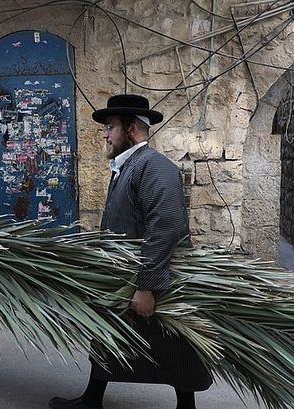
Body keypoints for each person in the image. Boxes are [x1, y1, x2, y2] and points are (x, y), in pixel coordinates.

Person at [48, 94, 212, 409]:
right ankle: (92, 399)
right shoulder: (128, 166)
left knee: (172, 343)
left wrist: (147, 285)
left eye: (110, 127)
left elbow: (166, 227)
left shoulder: (155, 167)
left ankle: (185, 407)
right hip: (126, 276)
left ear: (132, 128)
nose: (105, 134)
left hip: (151, 278)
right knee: (110, 334)